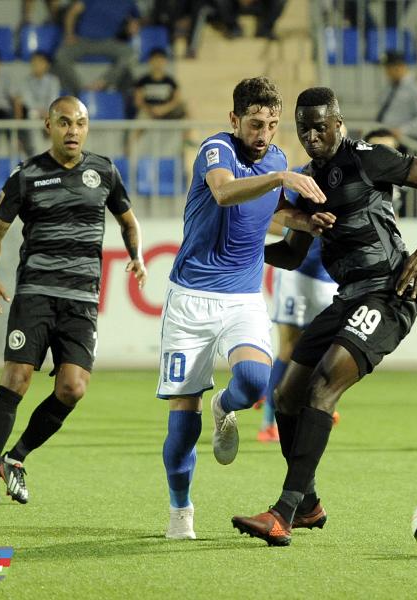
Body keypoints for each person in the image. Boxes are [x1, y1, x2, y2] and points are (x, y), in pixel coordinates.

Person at [231, 86, 417, 547]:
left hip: (389, 293)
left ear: (338, 124)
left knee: (322, 386)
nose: (312, 136)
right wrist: (240, 250)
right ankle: (309, 504)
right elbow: (293, 254)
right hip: (348, 298)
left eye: (320, 127)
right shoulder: (307, 181)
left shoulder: (367, 159)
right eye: (304, 129)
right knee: (287, 395)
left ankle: (283, 513)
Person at [158, 76, 331, 540]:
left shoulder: (276, 159)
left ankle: (224, 405)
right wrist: (280, 178)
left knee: (255, 382)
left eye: (272, 125)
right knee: (182, 422)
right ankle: (180, 509)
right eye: (255, 124)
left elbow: (269, 212)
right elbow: (224, 192)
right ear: (235, 119)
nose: (264, 134)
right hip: (191, 298)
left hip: (243, 296)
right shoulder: (216, 150)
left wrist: (306, 222)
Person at [0, 95, 147, 505]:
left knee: (73, 388)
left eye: (80, 123)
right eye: (65, 122)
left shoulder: (104, 171)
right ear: (48, 126)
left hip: (81, 300)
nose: (73, 131)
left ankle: (15, 458)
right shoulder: (27, 175)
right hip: (35, 293)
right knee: (16, 378)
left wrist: (137, 255)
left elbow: (128, 220)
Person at [256, 181, 340, 444]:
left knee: (330, 348)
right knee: (289, 347)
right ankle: (269, 422)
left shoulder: (361, 178)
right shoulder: (307, 179)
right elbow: (273, 216)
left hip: (332, 278)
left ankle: (313, 404)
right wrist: (303, 225)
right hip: (298, 274)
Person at [53, 0, 140, 95]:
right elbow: (72, 13)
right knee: (61, 55)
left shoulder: (129, 2)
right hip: (83, 40)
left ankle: (103, 82)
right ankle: (80, 90)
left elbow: (137, 20)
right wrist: (69, 34)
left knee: (129, 53)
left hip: (108, 42)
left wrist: (132, 27)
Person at [375, 50, 417, 142]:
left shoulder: (416, 87)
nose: (386, 73)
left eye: (388, 68)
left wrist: (403, 130)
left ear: (398, 67)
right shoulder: (391, 87)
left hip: (407, 141)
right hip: (388, 139)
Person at [16, 51, 61, 154]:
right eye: (34, 62)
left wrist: (47, 112)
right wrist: (40, 111)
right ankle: (35, 150)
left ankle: (52, 151)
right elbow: (28, 100)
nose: (36, 65)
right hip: (34, 112)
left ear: (47, 65)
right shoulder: (26, 81)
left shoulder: (53, 81)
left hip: (50, 112)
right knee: (32, 114)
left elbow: (54, 98)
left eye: (40, 62)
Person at [133, 48, 186, 120]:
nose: (158, 63)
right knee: (141, 117)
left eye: (160, 60)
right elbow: (138, 101)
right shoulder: (142, 81)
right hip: (148, 111)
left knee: (184, 111)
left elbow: (176, 100)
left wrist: (164, 109)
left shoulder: (171, 81)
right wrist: (150, 110)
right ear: (150, 61)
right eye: (155, 60)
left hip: (167, 111)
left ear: (165, 61)